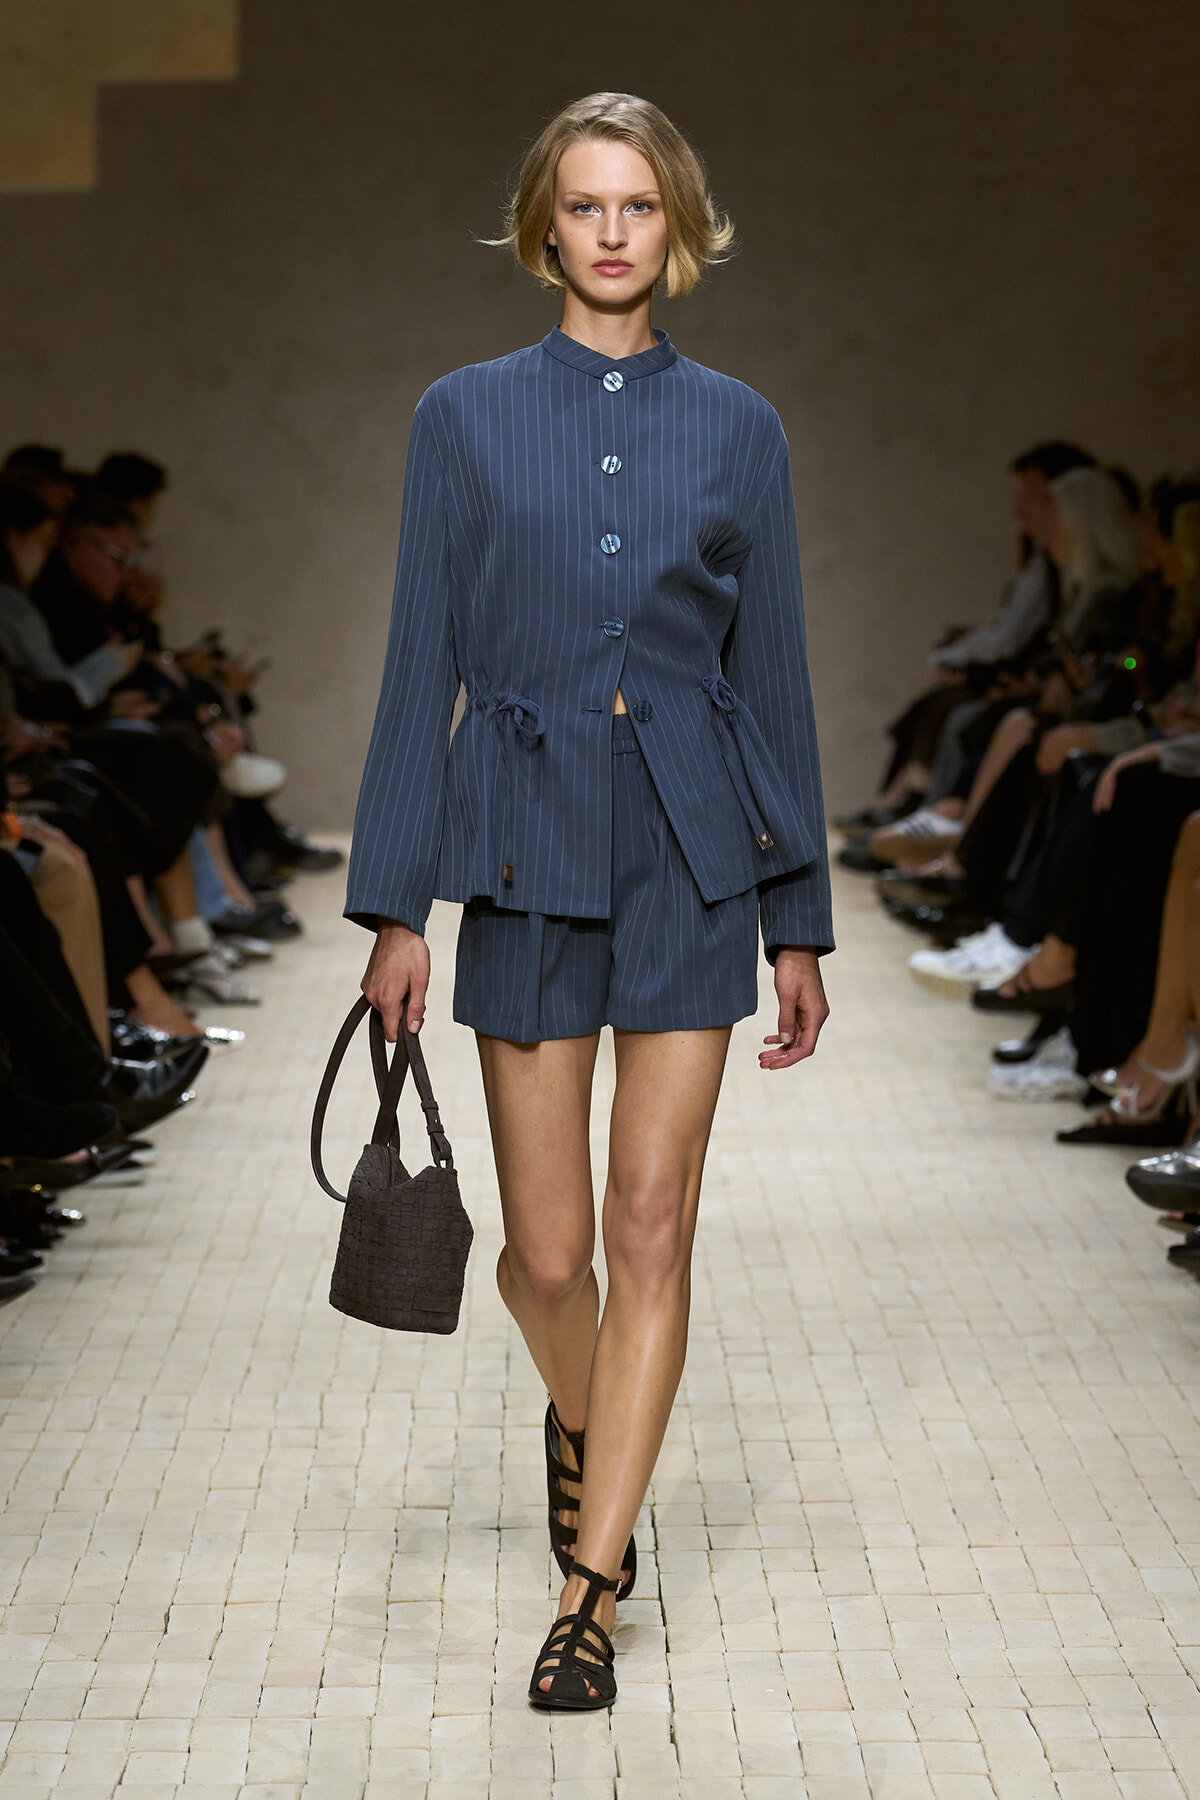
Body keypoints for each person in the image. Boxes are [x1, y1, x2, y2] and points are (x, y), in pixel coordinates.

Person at [345, 92, 833, 1712]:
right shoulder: (463, 417)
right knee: (547, 1258)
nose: (614, 232)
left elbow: (775, 681)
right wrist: (394, 908)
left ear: (676, 228)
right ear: (540, 228)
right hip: (519, 846)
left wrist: (799, 920)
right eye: (586, 206)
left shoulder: (742, 428)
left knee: (648, 1228)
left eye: (640, 206)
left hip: (694, 847)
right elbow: (422, 664)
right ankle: (587, 1417)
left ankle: (590, 1585)